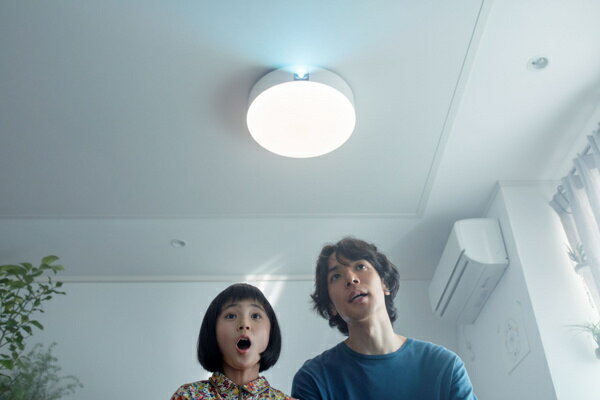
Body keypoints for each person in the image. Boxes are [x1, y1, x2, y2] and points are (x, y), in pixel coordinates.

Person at [291, 237, 477, 400]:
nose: (351, 278)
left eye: (360, 266)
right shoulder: (314, 378)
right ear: (331, 306)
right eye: (336, 276)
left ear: (385, 283)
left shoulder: (444, 366)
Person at [171, 283, 294, 400]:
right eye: (231, 316)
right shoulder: (188, 396)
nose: (244, 324)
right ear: (212, 330)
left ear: (271, 331)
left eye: (255, 316)